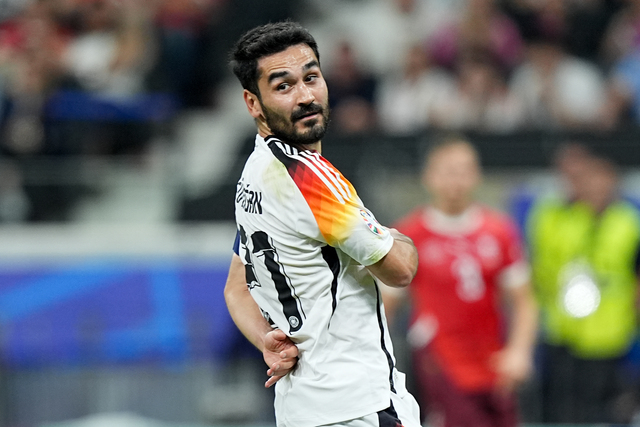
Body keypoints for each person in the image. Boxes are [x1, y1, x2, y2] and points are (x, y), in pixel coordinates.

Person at [223, 21, 421, 427]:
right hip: (358, 404)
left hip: (300, 409)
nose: (305, 96)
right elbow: (400, 269)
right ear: (253, 103)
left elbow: (236, 288)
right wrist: (394, 236)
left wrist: (265, 340)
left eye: (311, 77)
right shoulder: (309, 178)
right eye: (283, 86)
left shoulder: (255, 172)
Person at [383, 136, 538, 427]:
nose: (456, 181)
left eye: (464, 171)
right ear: (428, 176)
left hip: (494, 364)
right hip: (439, 366)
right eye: (447, 171)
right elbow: (384, 307)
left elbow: (523, 301)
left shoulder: (499, 231)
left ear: (477, 174)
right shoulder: (409, 234)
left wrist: (519, 351)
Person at [526, 143, 640, 423]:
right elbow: (545, 266)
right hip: (565, 329)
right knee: (566, 404)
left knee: (610, 403)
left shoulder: (628, 222)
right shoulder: (564, 219)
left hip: (612, 330)